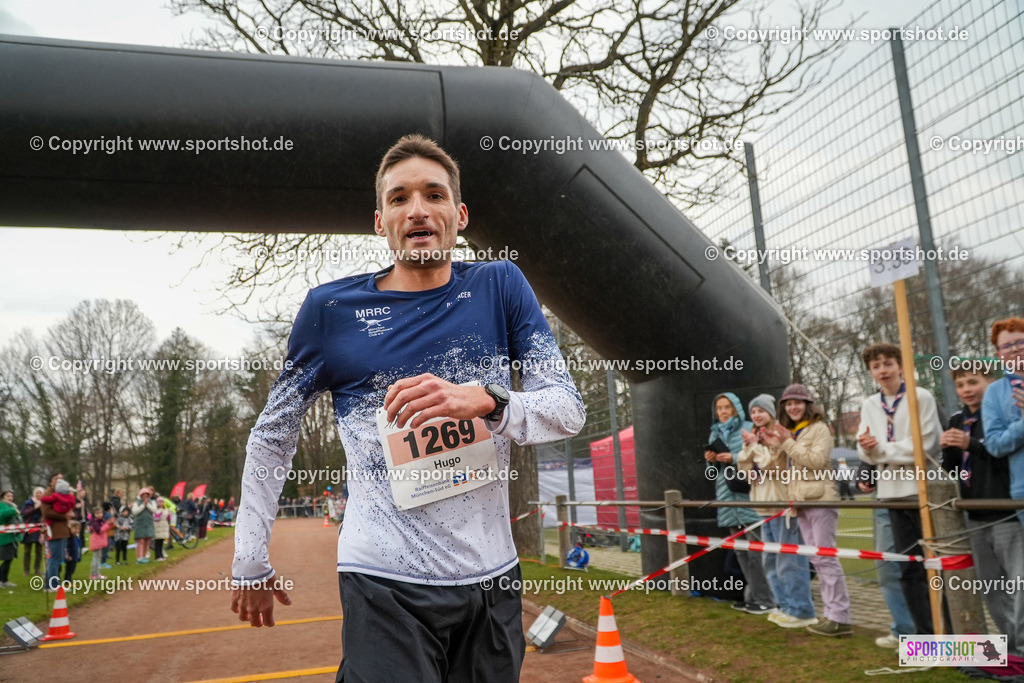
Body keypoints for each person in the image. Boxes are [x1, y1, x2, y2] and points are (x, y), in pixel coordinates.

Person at [230, 134, 585, 683]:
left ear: (458, 214)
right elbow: (272, 435)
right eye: (399, 198)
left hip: (491, 581)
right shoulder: (332, 310)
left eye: (433, 194)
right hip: (383, 578)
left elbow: (567, 410)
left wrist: (488, 401)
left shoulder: (500, 286)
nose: (417, 209)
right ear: (381, 221)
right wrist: (250, 557)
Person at [857, 342, 942, 634]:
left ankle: (952, 633)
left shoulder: (921, 397)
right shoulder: (869, 404)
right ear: (870, 372)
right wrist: (872, 450)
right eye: (876, 366)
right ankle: (923, 636)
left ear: (901, 366)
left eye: (888, 364)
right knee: (907, 568)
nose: (883, 370)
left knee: (936, 564)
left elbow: (925, 445)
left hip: (922, 492)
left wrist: (882, 451)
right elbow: (865, 451)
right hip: (891, 494)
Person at [942, 366, 1024, 656]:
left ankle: (1020, 649)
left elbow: (1004, 457)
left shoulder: (1002, 413)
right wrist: (949, 451)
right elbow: (953, 469)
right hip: (973, 515)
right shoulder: (956, 420)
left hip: (1006, 512)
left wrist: (972, 445)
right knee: (992, 589)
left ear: (990, 382)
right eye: (961, 384)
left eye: (973, 382)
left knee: (1019, 587)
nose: (966, 389)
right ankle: (1010, 648)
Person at [763, 384, 852, 637]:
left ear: (808, 405)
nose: (793, 407)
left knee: (825, 558)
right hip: (800, 502)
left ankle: (840, 617)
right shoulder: (792, 434)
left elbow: (816, 461)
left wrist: (788, 444)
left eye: (798, 402)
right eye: (788, 404)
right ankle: (832, 615)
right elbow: (778, 472)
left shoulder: (819, 429)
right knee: (817, 559)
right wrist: (774, 446)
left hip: (821, 501)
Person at [706, 392, 775, 616]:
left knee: (756, 553)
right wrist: (711, 461)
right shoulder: (714, 432)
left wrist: (733, 458)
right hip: (726, 499)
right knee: (741, 554)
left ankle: (767, 599)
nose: (723, 412)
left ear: (736, 408)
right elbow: (711, 474)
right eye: (719, 408)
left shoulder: (748, 427)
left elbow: (760, 458)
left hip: (749, 496)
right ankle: (752, 597)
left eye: (727, 407)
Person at [982, 317, 1024, 531]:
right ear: (999, 355)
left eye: (1020, 342)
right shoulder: (994, 392)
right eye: (1006, 346)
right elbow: (994, 445)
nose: (1015, 350)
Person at [40, 472, 73, 591]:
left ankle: (49, 585)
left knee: (57, 559)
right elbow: (46, 513)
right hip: (54, 530)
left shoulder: (62, 494)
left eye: (61, 479)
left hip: (62, 530)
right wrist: (65, 516)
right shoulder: (48, 494)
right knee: (54, 559)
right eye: (56, 479)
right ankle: (53, 585)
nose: (59, 480)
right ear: (51, 482)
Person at [20, 487, 44, 577]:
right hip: (29, 527)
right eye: (37, 493)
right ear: (34, 494)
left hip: (40, 528)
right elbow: (23, 513)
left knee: (39, 550)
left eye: (40, 493)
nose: (39, 495)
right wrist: (34, 507)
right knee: (27, 551)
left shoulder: (45, 503)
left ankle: (37, 569)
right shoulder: (28, 503)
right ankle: (26, 570)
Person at [0, 490, 22, 588]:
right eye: (8, 496)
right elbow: (2, 514)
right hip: (5, 538)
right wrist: (14, 510)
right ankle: (2, 580)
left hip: (12, 537)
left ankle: (4, 580)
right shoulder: (2, 505)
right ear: (3, 497)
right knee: (7, 559)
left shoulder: (11, 506)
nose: (10, 498)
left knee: (9, 559)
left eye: (11, 496)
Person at [132, 487, 157, 563]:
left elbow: (154, 510)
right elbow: (135, 512)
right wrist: (143, 505)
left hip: (148, 524)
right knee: (141, 541)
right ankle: (140, 557)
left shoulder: (152, 502)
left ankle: (145, 556)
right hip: (140, 524)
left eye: (147, 495)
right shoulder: (137, 503)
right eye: (144, 495)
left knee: (147, 540)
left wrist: (147, 504)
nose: (145, 496)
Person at [88, 506, 113, 579]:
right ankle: (94, 574)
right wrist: (107, 524)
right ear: (94, 514)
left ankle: (97, 574)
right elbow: (99, 530)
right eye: (97, 513)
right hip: (96, 542)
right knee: (96, 559)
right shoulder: (94, 522)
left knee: (98, 559)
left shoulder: (101, 521)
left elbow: (104, 528)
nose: (99, 515)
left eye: (100, 513)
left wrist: (110, 524)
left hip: (99, 542)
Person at [153, 497, 170, 561]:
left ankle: (161, 554)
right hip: (158, 527)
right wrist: (160, 513)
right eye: (160, 502)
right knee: (157, 542)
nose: (161, 503)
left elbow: (168, 519)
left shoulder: (166, 510)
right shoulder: (155, 510)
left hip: (164, 527)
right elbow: (156, 518)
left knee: (161, 542)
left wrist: (169, 515)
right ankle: (157, 555)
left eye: (162, 502)